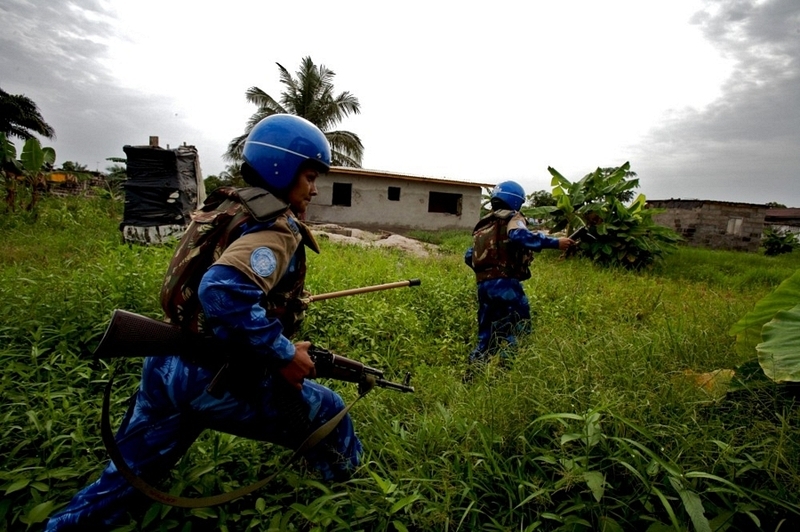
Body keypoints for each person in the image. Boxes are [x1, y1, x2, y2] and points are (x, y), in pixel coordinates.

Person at [46, 114, 362, 530]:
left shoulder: (227, 207)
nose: (314, 188)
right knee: (330, 412)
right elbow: (221, 291)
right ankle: (348, 508)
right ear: (281, 169)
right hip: (211, 375)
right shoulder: (275, 228)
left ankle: (62, 526)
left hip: (165, 361)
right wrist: (283, 352)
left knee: (129, 475)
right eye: (308, 176)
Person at [464, 180, 573, 367]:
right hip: (506, 284)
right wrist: (556, 243)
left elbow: (469, 256)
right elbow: (518, 235)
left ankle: (475, 369)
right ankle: (506, 370)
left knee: (487, 332)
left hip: (483, 286)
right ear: (516, 201)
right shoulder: (514, 218)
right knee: (518, 327)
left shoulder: (483, 225)